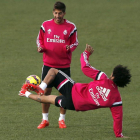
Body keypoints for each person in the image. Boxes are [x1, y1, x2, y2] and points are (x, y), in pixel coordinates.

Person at [19, 44, 131, 138]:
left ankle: (41, 88)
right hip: (73, 105)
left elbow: (85, 67)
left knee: (53, 70)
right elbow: (117, 118)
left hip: (73, 90)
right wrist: (119, 134)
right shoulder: (116, 99)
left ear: (113, 77)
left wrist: (86, 53)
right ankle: (26, 93)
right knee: (48, 99)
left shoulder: (103, 78)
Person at [36, 1, 78, 129]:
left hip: (63, 66)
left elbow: (75, 43)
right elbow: (39, 39)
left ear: (64, 13)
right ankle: (45, 120)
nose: (58, 15)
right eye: (55, 13)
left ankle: (62, 120)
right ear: (53, 12)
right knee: (45, 92)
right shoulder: (45, 25)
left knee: (65, 94)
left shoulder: (71, 27)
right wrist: (40, 47)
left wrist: (69, 47)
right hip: (48, 64)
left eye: (60, 13)